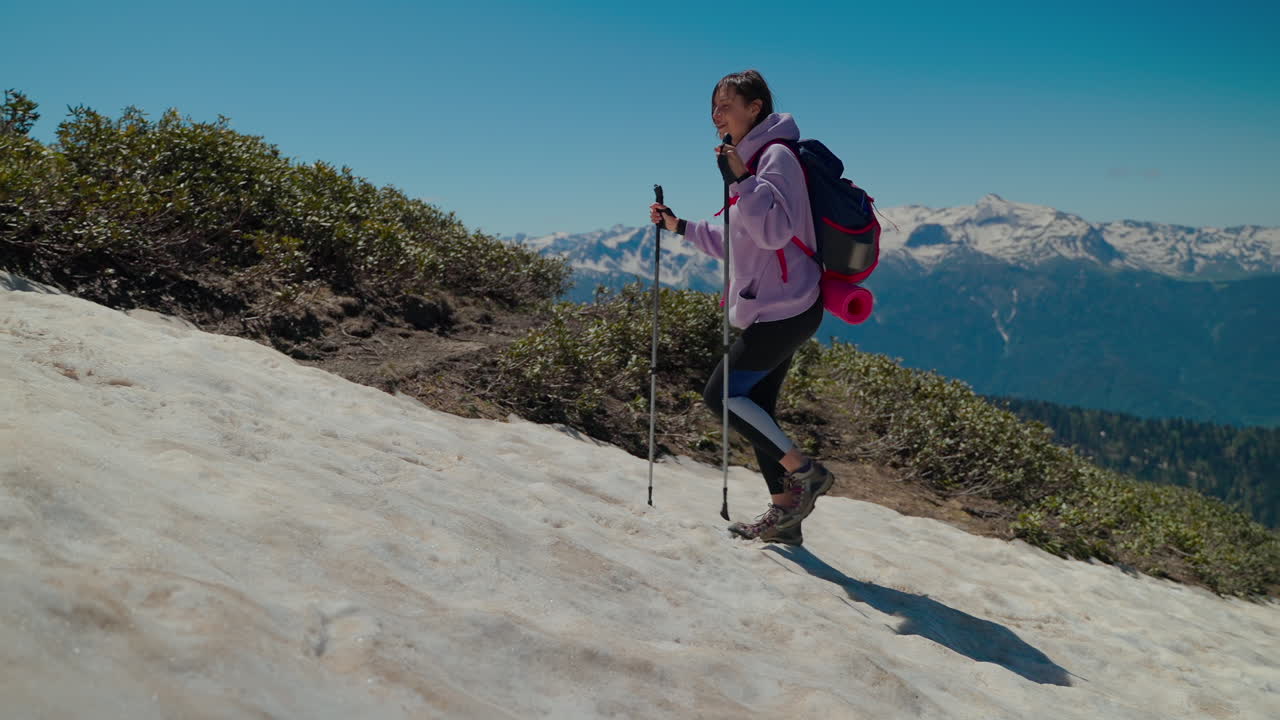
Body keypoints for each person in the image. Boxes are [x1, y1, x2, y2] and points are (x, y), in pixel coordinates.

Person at [648, 69, 834, 545]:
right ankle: (785, 515)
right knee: (757, 406)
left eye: (726, 104)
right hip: (776, 305)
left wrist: (743, 180)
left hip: (786, 308)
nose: (716, 114)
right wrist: (678, 226)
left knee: (723, 395)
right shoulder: (750, 160)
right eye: (713, 106)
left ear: (755, 108)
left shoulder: (775, 158)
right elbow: (738, 241)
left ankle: (806, 473)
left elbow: (773, 234)